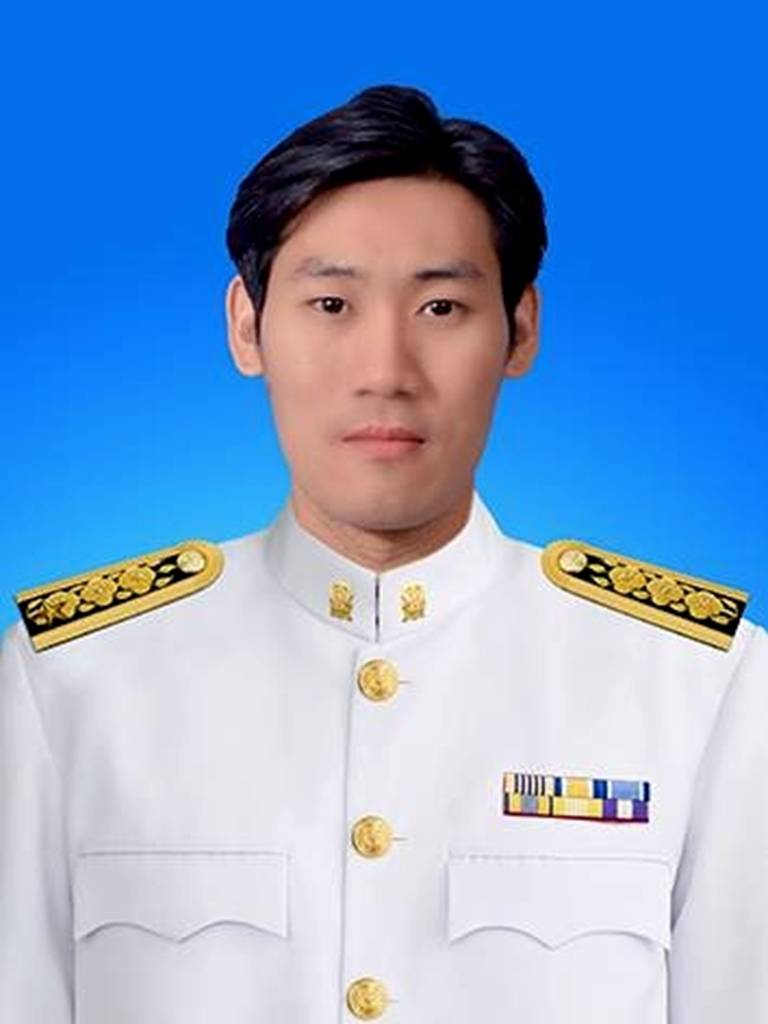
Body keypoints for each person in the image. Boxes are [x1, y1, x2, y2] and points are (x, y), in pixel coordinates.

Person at [0, 83, 765, 1024]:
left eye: (441, 307)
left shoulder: (702, 685)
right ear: (247, 325)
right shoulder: (67, 680)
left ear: (521, 329)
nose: (385, 372)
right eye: (331, 303)